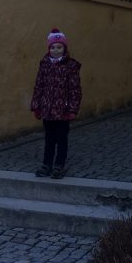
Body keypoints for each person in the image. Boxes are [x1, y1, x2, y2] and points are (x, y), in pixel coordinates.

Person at [29, 27, 82, 179]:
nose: (56, 50)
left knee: (61, 138)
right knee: (49, 138)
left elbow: (75, 90)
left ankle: (59, 165)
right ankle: (47, 164)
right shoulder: (44, 64)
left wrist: (72, 109)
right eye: (53, 47)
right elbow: (38, 85)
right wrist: (36, 106)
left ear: (64, 48)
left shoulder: (71, 66)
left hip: (63, 110)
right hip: (47, 108)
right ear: (49, 48)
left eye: (59, 47)